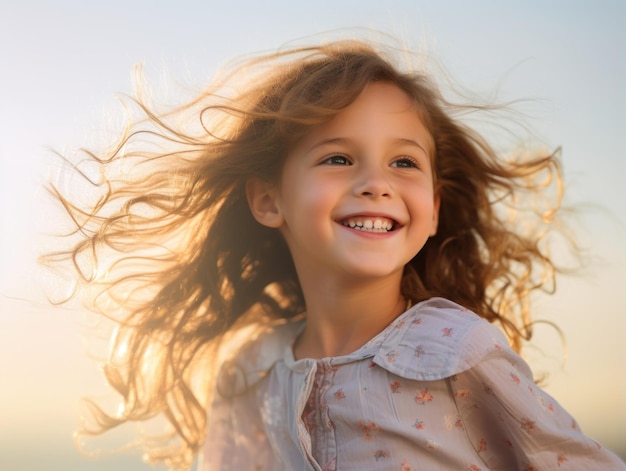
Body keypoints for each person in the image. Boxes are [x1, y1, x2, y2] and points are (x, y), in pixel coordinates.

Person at [47, 39, 626, 470]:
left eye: (404, 162)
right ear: (269, 199)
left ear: (432, 208)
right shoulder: (249, 372)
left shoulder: (453, 350)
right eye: (338, 158)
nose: (377, 183)